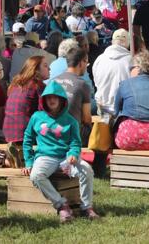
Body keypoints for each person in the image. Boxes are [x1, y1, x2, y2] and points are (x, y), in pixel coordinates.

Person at [22, 80, 99, 222]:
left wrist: (73, 154)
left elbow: (76, 142)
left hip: (66, 158)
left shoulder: (71, 120)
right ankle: (61, 205)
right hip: (45, 157)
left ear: (61, 99)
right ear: (44, 100)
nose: (51, 100)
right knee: (36, 176)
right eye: (48, 97)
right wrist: (28, 161)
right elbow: (27, 139)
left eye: (55, 97)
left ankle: (87, 207)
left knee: (86, 169)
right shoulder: (36, 117)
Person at [113, 51, 149, 150]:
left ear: (138, 68)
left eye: (130, 68)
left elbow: (115, 112)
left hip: (129, 139)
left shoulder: (124, 84)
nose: (129, 71)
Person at [3, 56, 48, 168]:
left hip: (9, 132)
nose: (50, 68)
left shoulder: (14, 84)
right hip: (25, 134)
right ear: (35, 70)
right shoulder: (39, 85)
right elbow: (44, 112)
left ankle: (18, 153)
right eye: (46, 66)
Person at [51, 48, 93, 141]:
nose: (86, 66)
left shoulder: (53, 81)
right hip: (70, 135)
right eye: (86, 63)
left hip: (51, 132)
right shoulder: (82, 84)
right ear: (81, 63)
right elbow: (87, 119)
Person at [92, 29, 131, 121]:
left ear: (112, 42)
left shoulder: (100, 59)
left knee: (104, 133)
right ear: (128, 43)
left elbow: (96, 82)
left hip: (103, 105)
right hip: (123, 109)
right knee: (119, 134)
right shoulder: (131, 60)